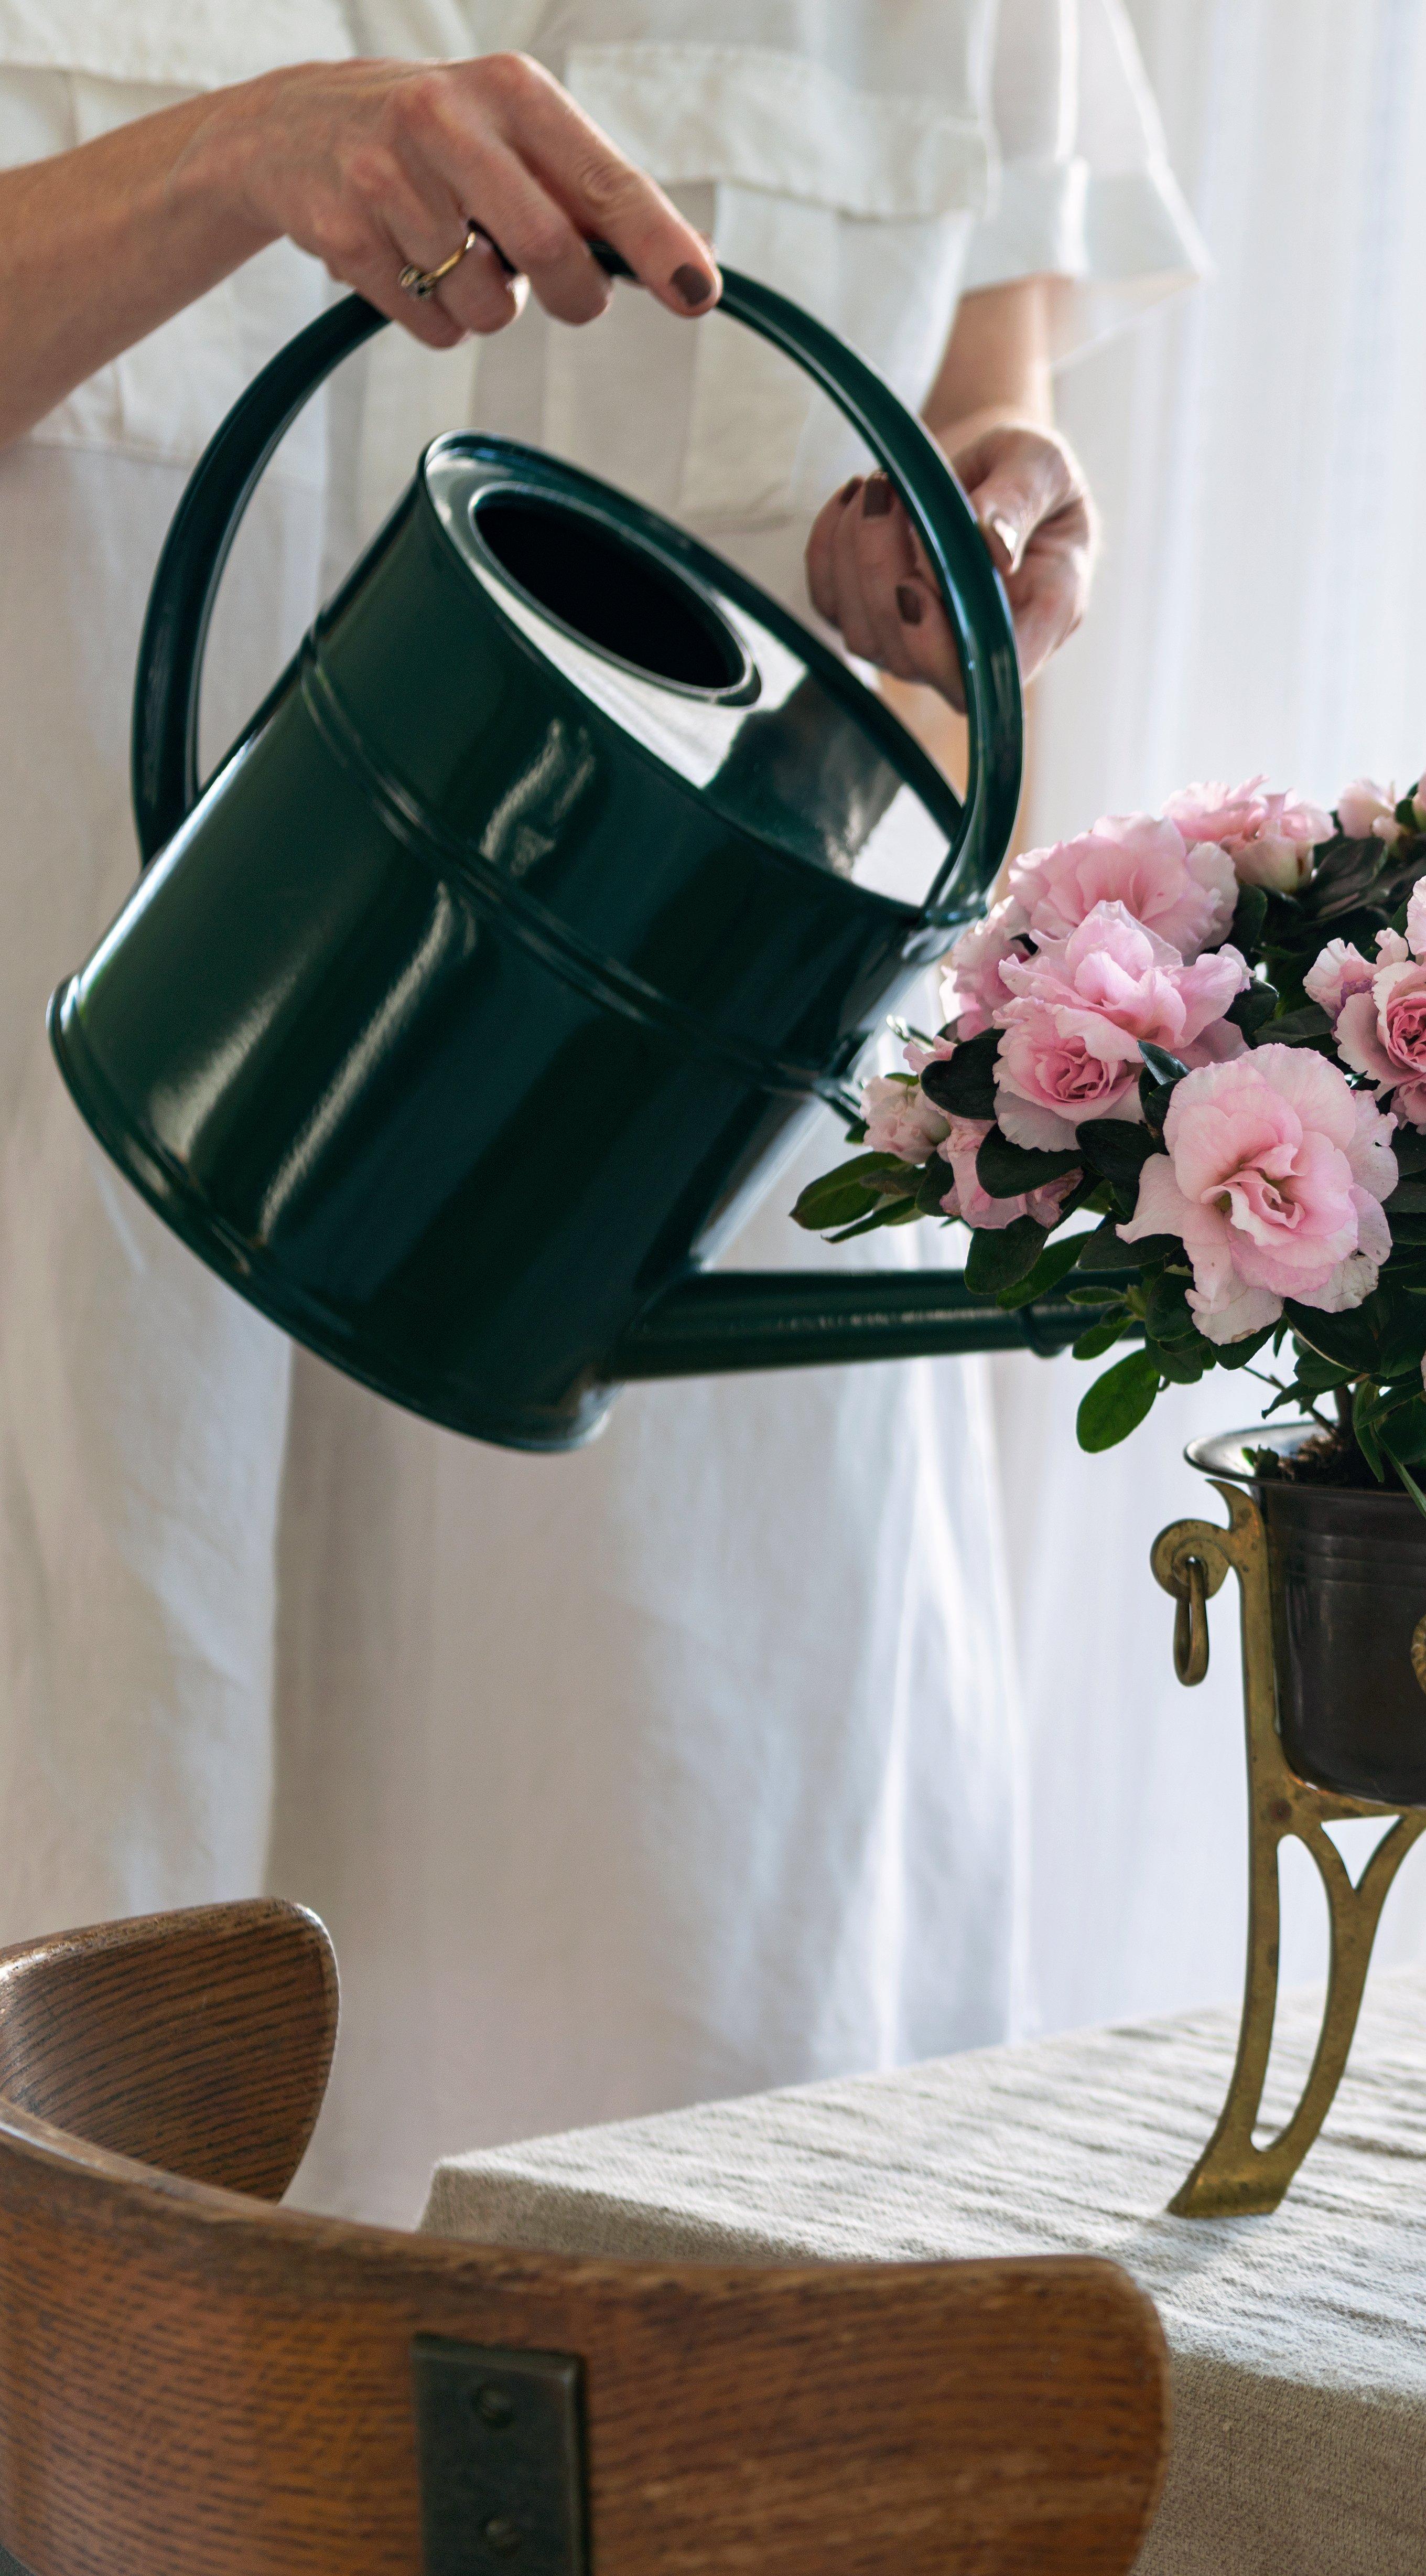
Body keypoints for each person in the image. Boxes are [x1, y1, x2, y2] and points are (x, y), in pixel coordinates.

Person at [0, 3, 1197, 2220]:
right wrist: (230, 161)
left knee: (689, 2157)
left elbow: (981, 395)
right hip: (75, 1176)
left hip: (663, 1217)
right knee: (87, 2180)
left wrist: (965, 521)